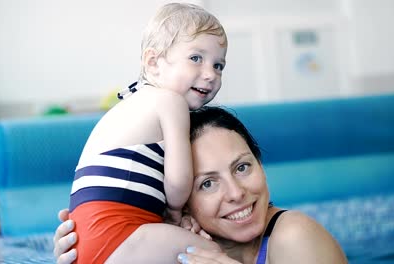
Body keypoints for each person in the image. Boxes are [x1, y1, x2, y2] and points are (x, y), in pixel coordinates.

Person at [56, 106, 348, 264]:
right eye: (208, 184)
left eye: (242, 167)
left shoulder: (294, 237)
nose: (236, 193)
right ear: (182, 202)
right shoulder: (169, 247)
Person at [68, 3, 227, 263]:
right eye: (196, 58)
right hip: (118, 235)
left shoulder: (133, 105)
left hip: (84, 240)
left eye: (218, 65)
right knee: (211, 254)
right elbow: (177, 182)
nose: (210, 74)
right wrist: (176, 211)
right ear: (153, 63)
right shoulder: (170, 102)